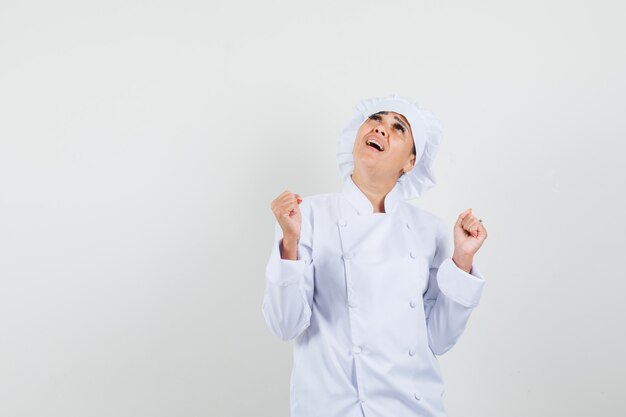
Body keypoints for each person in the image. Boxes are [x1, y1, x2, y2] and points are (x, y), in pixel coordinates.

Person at [261, 93, 488, 417]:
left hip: (412, 407)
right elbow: (286, 325)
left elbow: (439, 339)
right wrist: (290, 242)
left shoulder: (430, 230)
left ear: (410, 161)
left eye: (398, 128)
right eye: (376, 119)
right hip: (332, 408)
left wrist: (463, 260)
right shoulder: (305, 215)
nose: (381, 129)